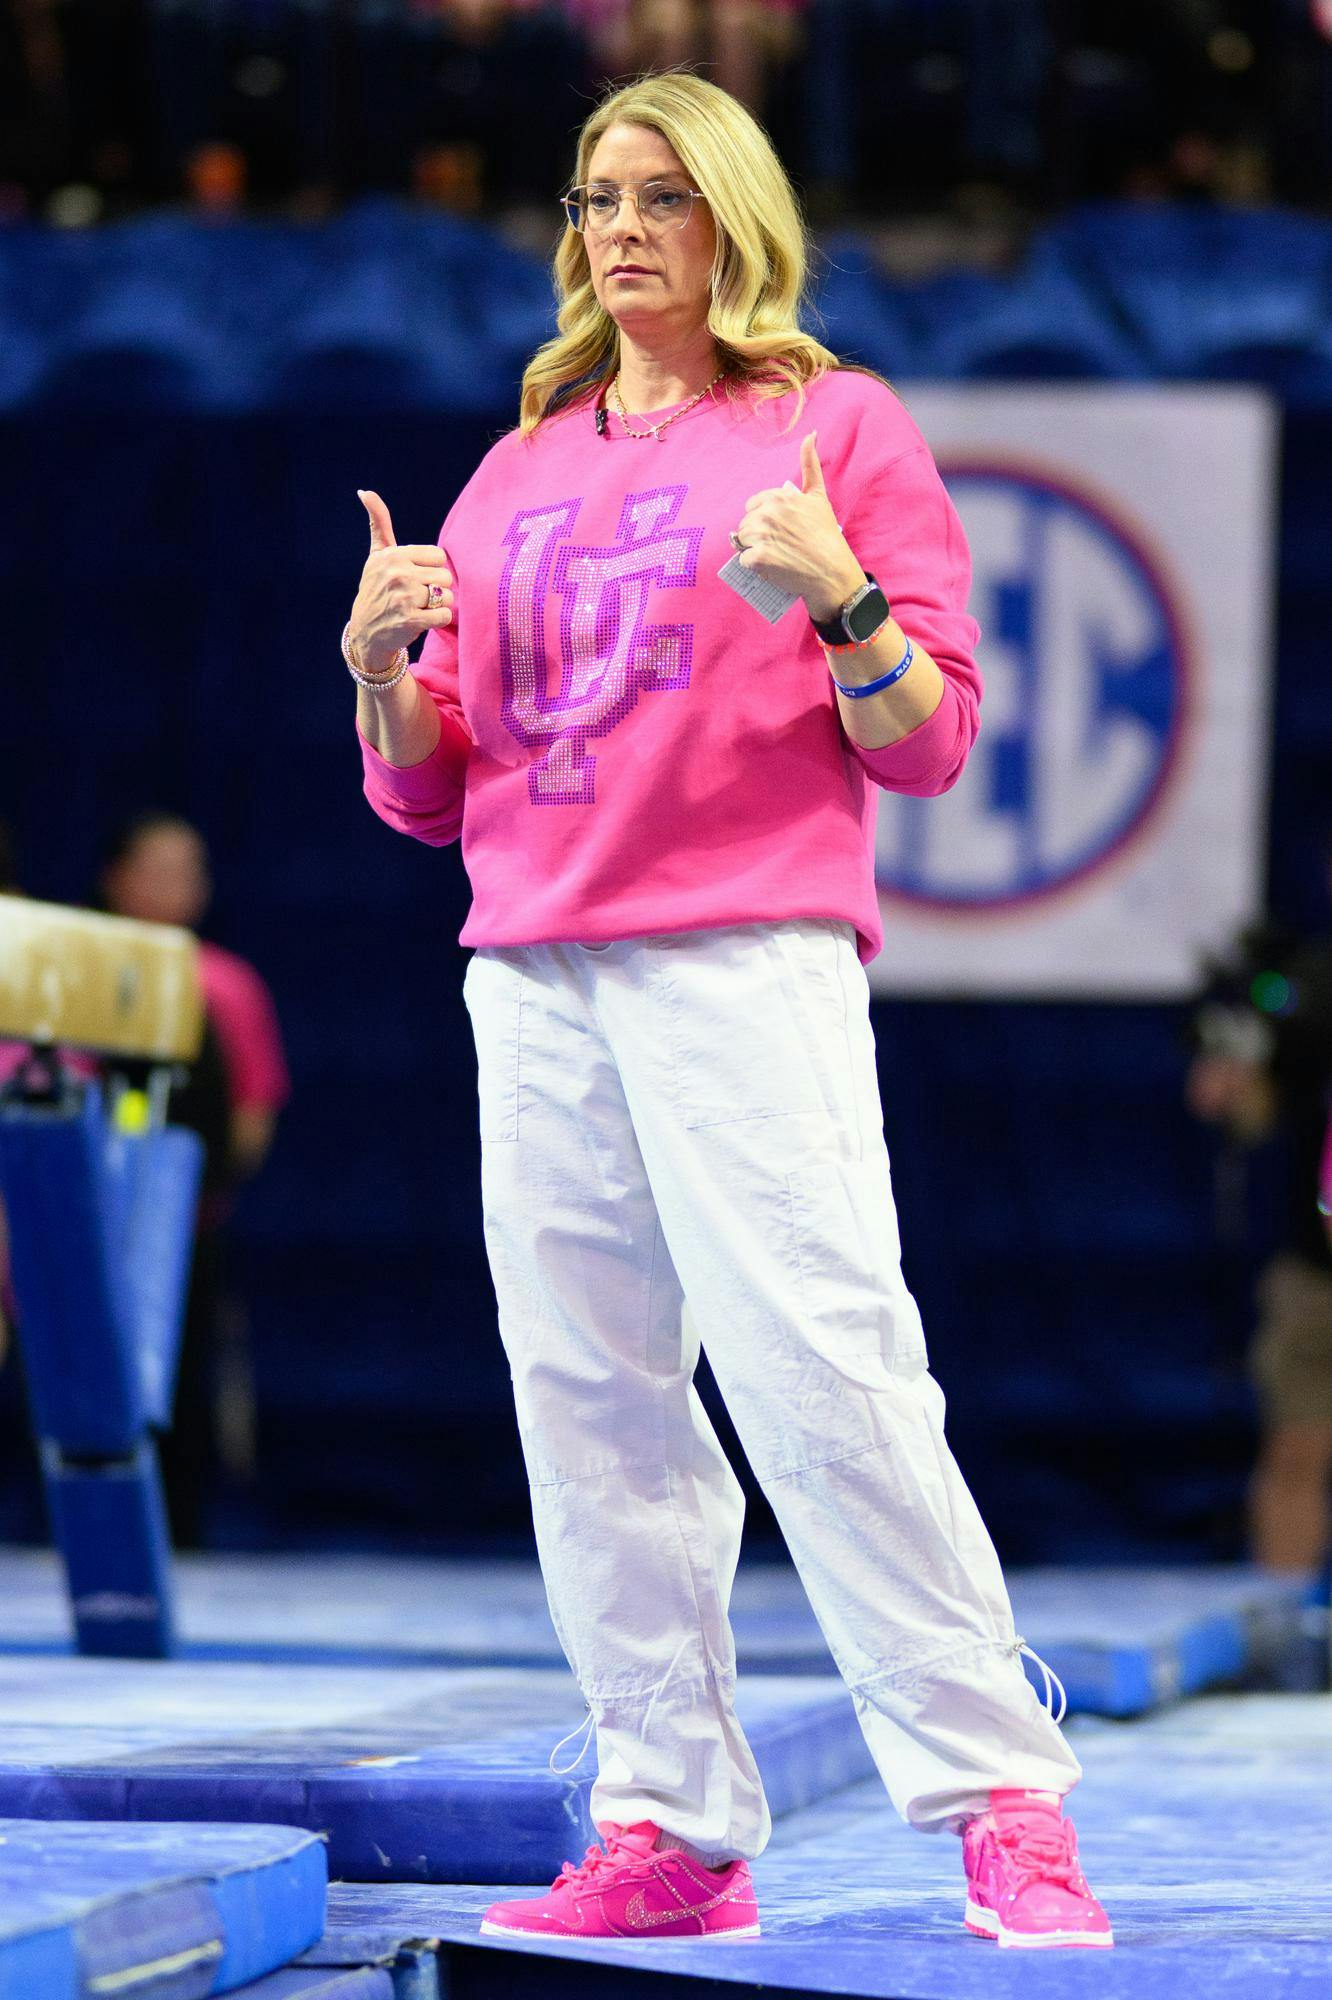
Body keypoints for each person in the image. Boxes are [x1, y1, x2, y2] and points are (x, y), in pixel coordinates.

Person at [345, 70, 1111, 1951]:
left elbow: (928, 742)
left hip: (736, 949)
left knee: (821, 1365)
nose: (621, 227)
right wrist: (378, 673)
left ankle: (1001, 1798)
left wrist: (844, 602)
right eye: (598, 194)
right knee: (588, 1400)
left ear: (730, 222)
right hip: (530, 965)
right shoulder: (514, 468)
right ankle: (670, 1825)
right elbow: (431, 788)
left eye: (662, 196)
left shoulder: (831, 426)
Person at [100, 812, 290, 1543]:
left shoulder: (226, 985)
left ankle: (179, 1528)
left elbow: (253, 1108)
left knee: (182, 1379)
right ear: (118, 879)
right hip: (90, 1221)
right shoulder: (83, 970)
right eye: (157, 869)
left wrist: (192, 1192)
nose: (177, 885)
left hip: (187, 1222)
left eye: (190, 870)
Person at [1187, 914, 1332, 1573]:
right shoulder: (1306, 991)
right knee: (1296, 1451)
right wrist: (1233, 1075)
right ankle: (1290, 1628)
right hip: (1314, 1278)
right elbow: (1246, 1110)